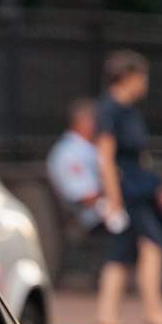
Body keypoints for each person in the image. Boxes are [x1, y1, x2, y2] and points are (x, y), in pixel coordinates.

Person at [93, 49, 162, 324]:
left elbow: (139, 156)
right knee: (154, 246)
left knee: (120, 252)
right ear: (130, 77)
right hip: (126, 192)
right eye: (142, 77)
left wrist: (156, 185)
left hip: (137, 189)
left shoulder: (128, 110)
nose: (145, 83)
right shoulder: (109, 109)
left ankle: (106, 314)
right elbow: (105, 158)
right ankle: (154, 313)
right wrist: (114, 199)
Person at [47, 98, 105, 229]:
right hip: (91, 222)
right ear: (85, 122)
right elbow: (84, 196)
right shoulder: (68, 153)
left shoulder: (91, 147)